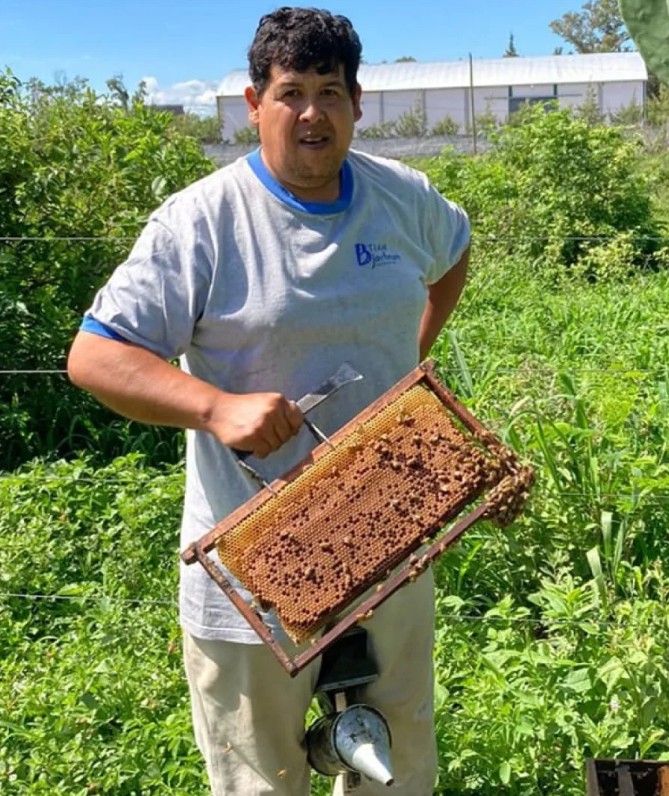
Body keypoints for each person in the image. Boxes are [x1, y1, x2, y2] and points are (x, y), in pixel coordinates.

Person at [67, 6, 470, 795]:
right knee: (264, 778)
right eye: (291, 92)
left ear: (358, 103)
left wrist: (408, 361)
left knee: (399, 771)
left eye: (330, 91)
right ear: (256, 105)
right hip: (256, 570)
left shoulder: (404, 198)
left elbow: (452, 255)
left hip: (389, 536)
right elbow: (95, 355)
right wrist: (217, 407)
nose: (311, 113)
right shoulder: (199, 222)